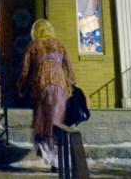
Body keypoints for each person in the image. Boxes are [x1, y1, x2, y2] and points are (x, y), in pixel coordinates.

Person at [16, 18, 77, 170]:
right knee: (56, 121)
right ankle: (55, 156)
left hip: (42, 85)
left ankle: (51, 155)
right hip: (60, 86)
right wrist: (72, 83)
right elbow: (68, 66)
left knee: (43, 121)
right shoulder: (59, 44)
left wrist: (20, 85)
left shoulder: (33, 45)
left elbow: (25, 68)